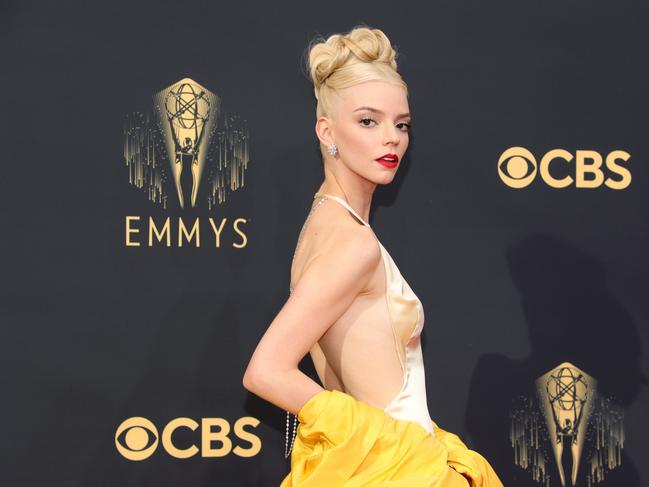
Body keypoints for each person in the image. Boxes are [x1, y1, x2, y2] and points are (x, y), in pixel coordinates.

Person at [243, 24, 503, 486]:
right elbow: (266, 371)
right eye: (368, 121)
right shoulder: (352, 242)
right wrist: (397, 449)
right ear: (327, 131)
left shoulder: (321, 223)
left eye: (401, 124)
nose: (392, 139)